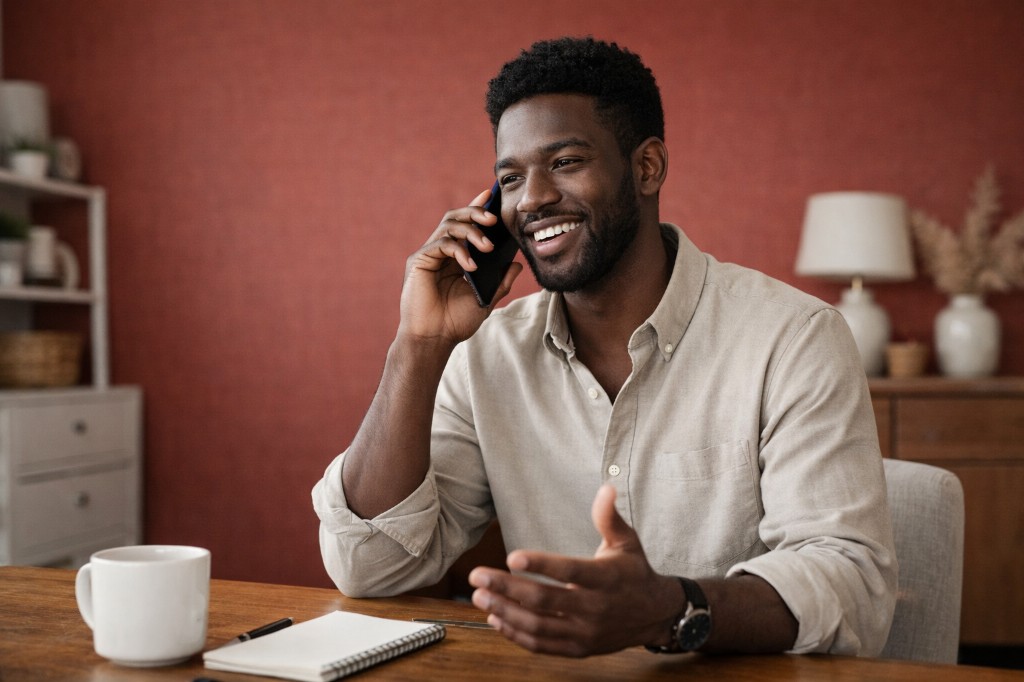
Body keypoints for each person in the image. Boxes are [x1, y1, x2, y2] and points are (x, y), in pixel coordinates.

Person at [313, 36, 896, 658]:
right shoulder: (485, 356)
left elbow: (850, 583)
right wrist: (418, 345)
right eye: (510, 177)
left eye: (564, 161)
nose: (532, 198)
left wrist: (670, 610)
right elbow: (368, 566)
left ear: (646, 168)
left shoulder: (793, 338)